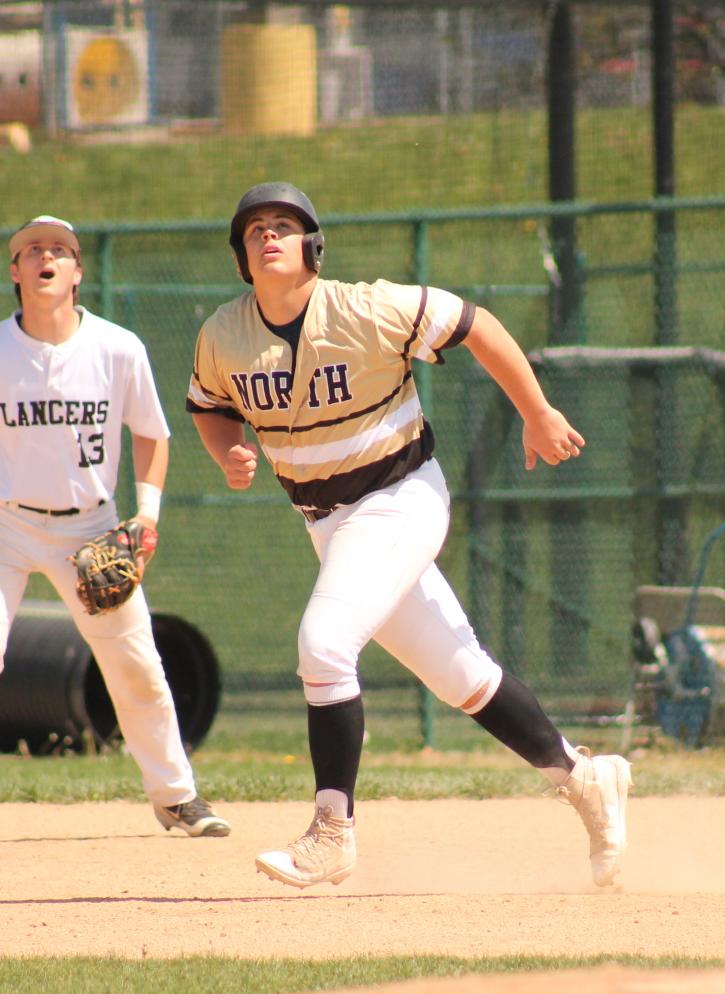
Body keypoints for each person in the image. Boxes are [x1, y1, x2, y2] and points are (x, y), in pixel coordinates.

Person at [186, 183, 631, 888]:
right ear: (241, 256)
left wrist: (537, 411)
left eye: (284, 225)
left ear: (312, 246)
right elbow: (210, 405)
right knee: (462, 676)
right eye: (254, 231)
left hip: (399, 497)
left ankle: (331, 828)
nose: (268, 236)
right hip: (328, 522)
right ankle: (583, 776)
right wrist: (225, 451)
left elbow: (476, 323)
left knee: (324, 645)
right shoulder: (223, 333)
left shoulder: (366, 305)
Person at [0, 214, 230, 846]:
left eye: (60, 249)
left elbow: (153, 433)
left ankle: (177, 798)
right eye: (32, 250)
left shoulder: (118, 348)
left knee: (135, 664)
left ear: (78, 272)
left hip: (91, 527)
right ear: (16, 272)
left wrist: (148, 514)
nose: (45, 257)